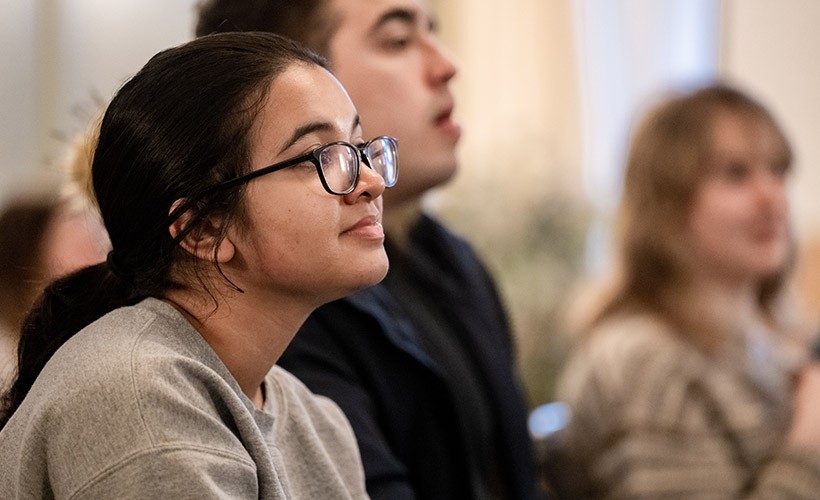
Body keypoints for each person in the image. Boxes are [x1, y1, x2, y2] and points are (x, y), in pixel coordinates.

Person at [0, 31, 400, 498]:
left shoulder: (319, 422)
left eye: (358, 147)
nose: (370, 181)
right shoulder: (136, 397)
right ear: (205, 228)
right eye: (320, 156)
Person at [195, 2, 541, 499]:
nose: (446, 65)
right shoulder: (284, 308)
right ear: (292, 76)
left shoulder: (451, 260)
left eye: (433, 32)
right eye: (397, 41)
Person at [551, 83, 820, 498]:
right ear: (667, 201)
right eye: (736, 174)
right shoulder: (644, 362)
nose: (774, 199)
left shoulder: (772, 346)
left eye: (778, 171)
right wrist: (809, 440)